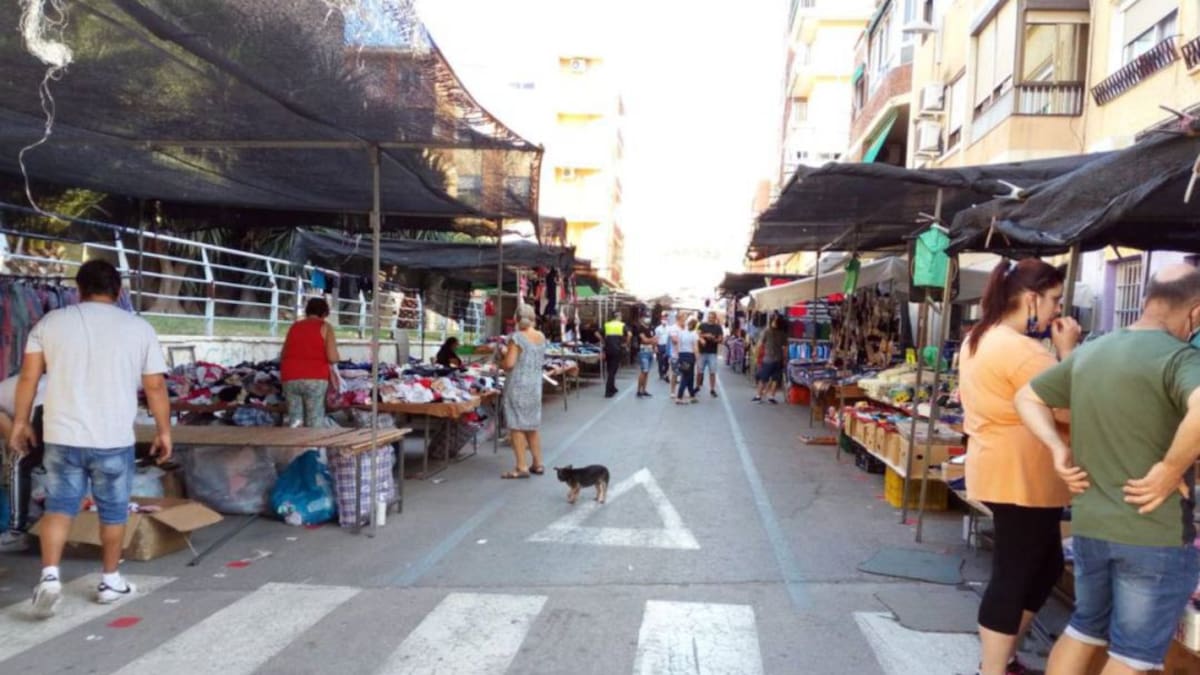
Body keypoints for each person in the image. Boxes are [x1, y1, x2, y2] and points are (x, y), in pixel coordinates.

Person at [1015, 263, 1200, 675]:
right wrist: (1171, 469)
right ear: (1195, 311)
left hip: (1093, 524)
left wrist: (1056, 449)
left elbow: (1027, 397)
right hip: (1154, 533)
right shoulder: (1179, 358)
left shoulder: (1093, 351)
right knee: (1133, 655)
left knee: (1084, 629)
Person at [9, 260, 171, 617]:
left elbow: (28, 380)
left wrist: (21, 422)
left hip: (62, 435)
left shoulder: (51, 323)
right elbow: (155, 386)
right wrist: (163, 431)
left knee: (59, 507)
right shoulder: (138, 328)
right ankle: (110, 580)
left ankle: (49, 576)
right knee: (113, 512)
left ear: (78, 290)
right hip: (112, 437)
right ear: (119, 291)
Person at [957, 259, 1079, 675]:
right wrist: (1068, 354)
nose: (1056, 311)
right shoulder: (1021, 349)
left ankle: (1002, 657)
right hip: (1020, 474)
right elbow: (1068, 404)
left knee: (1041, 566)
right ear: (1030, 299)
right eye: (1053, 301)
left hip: (1008, 469)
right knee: (1015, 572)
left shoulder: (983, 336)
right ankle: (993, 667)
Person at [0, 373, 46, 552]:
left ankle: (16, 532)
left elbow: (13, 436)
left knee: (20, 462)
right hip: (66, 400)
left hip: (44, 403)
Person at [499, 305, 547, 479]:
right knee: (532, 425)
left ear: (516, 318)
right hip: (535, 386)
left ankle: (521, 467)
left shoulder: (517, 338)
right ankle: (538, 463)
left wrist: (502, 359)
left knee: (516, 425)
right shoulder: (541, 337)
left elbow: (510, 364)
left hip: (518, 385)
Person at [280, 297, 340, 428]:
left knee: (295, 422)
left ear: (307, 311)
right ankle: (313, 447)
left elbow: (283, 354)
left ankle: (295, 447)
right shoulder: (325, 327)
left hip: (290, 377)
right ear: (325, 313)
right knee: (314, 421)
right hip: (315, 378)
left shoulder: (295, 326)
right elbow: (332, 357)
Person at [753, 315, 787, 403]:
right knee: (775, 379)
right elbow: (785, 348)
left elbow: (760, 344)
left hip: (768, 359)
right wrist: (785, 359)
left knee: (763, 378)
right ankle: (771, 397)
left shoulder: (766, 331)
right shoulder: (782, 333)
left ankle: (759, 396)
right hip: (778, 359)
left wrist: (756, 356)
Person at [697, 311, 724, 398]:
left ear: (715, 318)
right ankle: (697, 386)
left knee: (712, 372)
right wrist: (705, 336)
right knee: (699, 371)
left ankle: (712, 389)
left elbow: (720, 339)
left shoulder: (718, 327)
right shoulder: (702, 325)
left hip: (712, 352)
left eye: (712, 317)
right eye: (709, 316)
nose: (710, 318)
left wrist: (714, 339)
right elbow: (697, 334)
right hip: (702, 351)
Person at [602, 313, 629, 398]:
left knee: (610, 369)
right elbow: (630, 335)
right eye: (620, 316)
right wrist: (626, 344)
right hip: (617, 350)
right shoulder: (622, 325)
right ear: (617, 317)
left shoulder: (607, 325)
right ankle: (608, 391)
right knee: (612, 371)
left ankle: (613, 387)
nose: (621, 317)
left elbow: (597, 333)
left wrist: (603, 340)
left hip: (607, 349)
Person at [675, 318, 700, 404]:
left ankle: (692, 395)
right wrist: (697, 358)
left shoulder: (681, 333)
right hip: (690, 356)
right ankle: (679, 396)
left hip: (682, 355)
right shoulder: (694, 334)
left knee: (690, 376)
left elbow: (678, 344)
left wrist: (679, 355)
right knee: (686, 377)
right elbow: (695, 347)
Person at [633, 317, 656, 398]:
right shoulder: (640, 329)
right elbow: (644, 340)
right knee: (643, 371)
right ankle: (639, 391)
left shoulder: (651, 328)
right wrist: (652, 339)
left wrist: (653, 344)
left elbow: (653, 340)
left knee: (646, 372)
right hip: (644, 351)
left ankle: (644, 390)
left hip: (650, 351)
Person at [668, 312, 686, 399]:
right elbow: (674, 340)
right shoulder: (673, 328)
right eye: (684, 317)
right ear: (679, 318)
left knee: (685, 373)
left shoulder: (685, 328)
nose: (685, 319)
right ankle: (672, 391)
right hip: (675, 355)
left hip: (685, 354)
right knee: (675, 374)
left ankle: (681, 391)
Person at [654, 313, 671, 381]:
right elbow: (656, 338)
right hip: (660, 345)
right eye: (663, 319)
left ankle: (665, 372)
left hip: (667, 346)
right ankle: (661, 374)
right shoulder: (657, 329)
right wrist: (655, 346)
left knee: (666, 361)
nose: (664, 320)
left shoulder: (669, 328)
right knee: (660, 361)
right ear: (661, 320)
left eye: (665, 319)